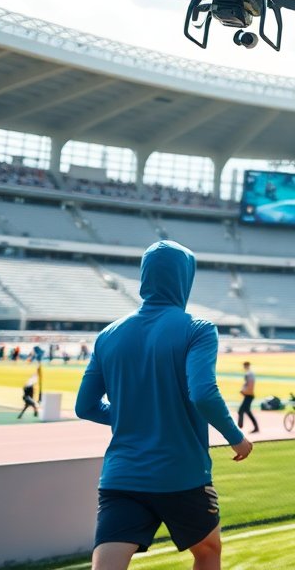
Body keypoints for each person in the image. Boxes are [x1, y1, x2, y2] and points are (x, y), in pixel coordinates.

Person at [75, 240, 254, 570]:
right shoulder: (198, 329)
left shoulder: (108, 335)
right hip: (181, 474)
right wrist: (236, 437)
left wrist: (135, 415)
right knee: (208, 551)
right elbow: (203, 394)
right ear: (185, 278)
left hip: (121, 475)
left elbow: (85, 407)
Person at [237, 361, 259, 434]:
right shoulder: (249, 374)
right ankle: (256, 427)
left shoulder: (249, 374)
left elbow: (251, 385)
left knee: (241, 410)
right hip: (248, 395)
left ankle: (239, 427)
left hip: (249, 395)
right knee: (247, 411)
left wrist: (244, 392)